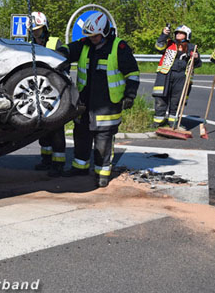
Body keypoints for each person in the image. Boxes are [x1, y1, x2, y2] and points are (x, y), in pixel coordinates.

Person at [58, 12, 140, 187]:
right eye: (89, 35)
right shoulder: (84, 45)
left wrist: (130, 95)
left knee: (103, 141)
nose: (92, 39)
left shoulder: (119, 47)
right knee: (81, 135)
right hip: (84, 103)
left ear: (104, 32)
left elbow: (132, 74)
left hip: (108, 105)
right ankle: (80, 166)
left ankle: (102, 173)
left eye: (95, 35)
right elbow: (68, 50)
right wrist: (60, 53)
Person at [30, 12, 67, 177]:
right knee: (43, 130)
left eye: (38, 31)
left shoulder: (55, 43)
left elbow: (64, 64)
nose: (36, 35)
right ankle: (46, 160)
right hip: (40, 91)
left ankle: (58, 164)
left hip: (56, 91)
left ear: (45, 29)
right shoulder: (29, 45)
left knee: (56, 130)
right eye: (33, 32)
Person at [152, 25, 201, 128]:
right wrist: (164, 35)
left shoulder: (192, 47)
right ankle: (158, 121)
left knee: (176, 100)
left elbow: (198, 64)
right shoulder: (169, 43)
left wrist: (195, 58)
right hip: (165, 75)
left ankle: (172, 123)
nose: (178, 34)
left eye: (181, 33)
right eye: (177, 32)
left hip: (182, 77)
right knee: (161, 98)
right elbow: (158, 47)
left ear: (187, 35)